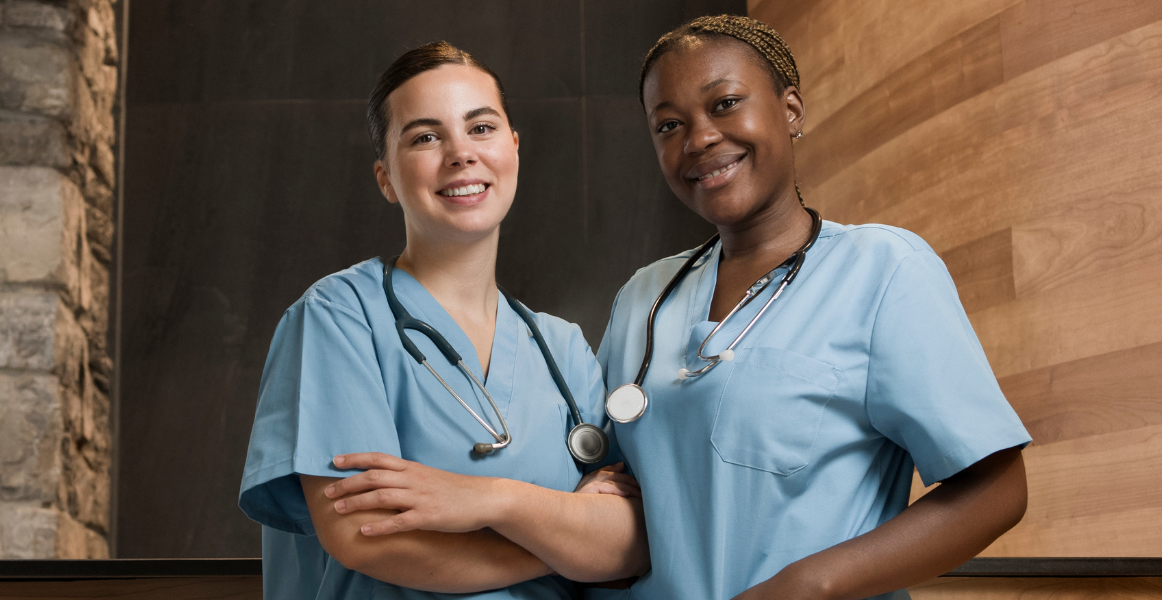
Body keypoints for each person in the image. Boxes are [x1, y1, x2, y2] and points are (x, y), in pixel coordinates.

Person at [593, 16, 1032, 600]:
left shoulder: (881, 269)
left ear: (791, 109)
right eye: (669, 124)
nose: (697, 139)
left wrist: (812, 585)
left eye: (724, 104)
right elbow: (610, 489)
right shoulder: (642, 298)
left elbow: (996, 490)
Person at [238, 41, 648, 599]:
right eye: (426, 136)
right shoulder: (338, 318)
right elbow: (366, 536)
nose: (461, 153)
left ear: (514, 150)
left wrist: (487, 499)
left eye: (481, 128)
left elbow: (629, 544)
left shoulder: (563, 350)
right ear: (386, 178)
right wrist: (565, 542)